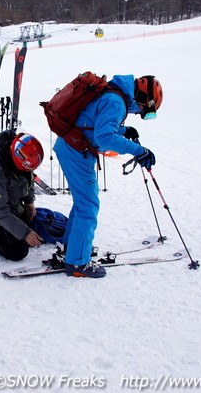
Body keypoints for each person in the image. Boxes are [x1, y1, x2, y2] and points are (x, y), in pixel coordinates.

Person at [54, 74, 163, 278]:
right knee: (88, 205)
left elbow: (93, 120)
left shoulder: (114, 96)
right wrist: (139, 151)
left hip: (72, 148)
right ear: (142, 98)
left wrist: (123, 130)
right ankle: (77, 263)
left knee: (84, 201)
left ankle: (72, 247)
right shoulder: (116, 101)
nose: (140, 114)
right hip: (76, 151)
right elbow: (104, 138)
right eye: (144, 111)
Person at [0, 130, 68, 261]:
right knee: (18, 251)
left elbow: (28, 178)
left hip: (14, 206)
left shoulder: (20, 156)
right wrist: (25, 233)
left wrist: (29, 201)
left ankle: (9, 230)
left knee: (33, 235)